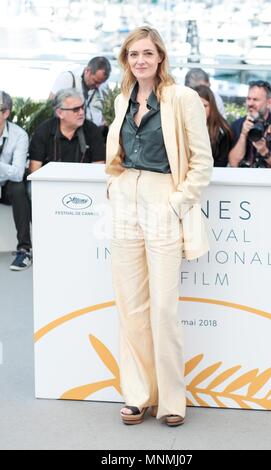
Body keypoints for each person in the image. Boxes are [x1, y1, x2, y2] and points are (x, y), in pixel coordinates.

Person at [106, 26, 213, 426]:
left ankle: (171, 400)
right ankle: (137, 395)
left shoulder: (181, 98)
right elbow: (116, 155)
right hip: (125, 200)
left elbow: (202, 162)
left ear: (161, 57)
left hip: (162, 198)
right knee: (130, 307)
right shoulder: (122, 99)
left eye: (147, 53)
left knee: (164, 308)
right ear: (126, 60)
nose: (140, 60)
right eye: (133, 54)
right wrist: (113, 186)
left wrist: (176, 203)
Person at [29, 88, 105, 173]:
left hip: (83, 183)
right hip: (50, 183)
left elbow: (98, 169)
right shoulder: (43, 131)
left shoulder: (93, 130)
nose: (81, 112)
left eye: (82, 107)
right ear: (60, 113)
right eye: (76, 109)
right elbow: (35, 170)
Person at [229, 80, 271, 168]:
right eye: (248, 99)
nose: (250, 103)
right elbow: (233, 163)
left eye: (255, 100)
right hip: (242, 179)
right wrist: (243, 135)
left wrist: (264, 151)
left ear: (269, 103)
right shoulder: (237, 124)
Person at [0, 91, 32, 271]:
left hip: (7, 187)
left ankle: (24, 250)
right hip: (6, 176)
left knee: (19, 188)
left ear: (6, 113)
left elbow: (18, 173)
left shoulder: (19, 135)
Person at [49, 57, 111, 132]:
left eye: (101, 83)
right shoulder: (68, 78)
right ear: (87, 71)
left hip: (93, 135)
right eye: (95, 81)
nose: (98, 86)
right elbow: (50, 104)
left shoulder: (101, 87)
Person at [194, 85, 232, 167]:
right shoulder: (185, 126)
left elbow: (221, 163)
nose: (200, 109)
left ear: (212, 106)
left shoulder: (223, 130)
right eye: (197, 105)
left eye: (204, 106)